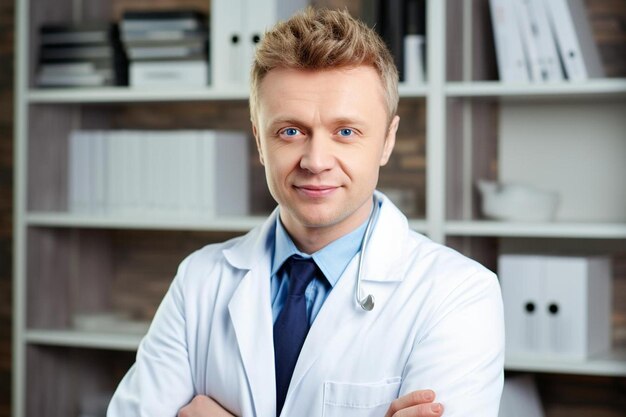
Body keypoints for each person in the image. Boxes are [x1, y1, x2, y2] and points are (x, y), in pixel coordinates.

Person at [107, 7, 504, 417]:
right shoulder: (200, 280)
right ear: (260, 141)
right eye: (290, 132)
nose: (315, 161)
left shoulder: (459, 294)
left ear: (387, 140)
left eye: (345, 132)